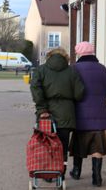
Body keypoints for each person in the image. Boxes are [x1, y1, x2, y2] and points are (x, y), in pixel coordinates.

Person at [30, 47, 85, 181]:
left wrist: (42, 109)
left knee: (46, 143)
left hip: (46, 113)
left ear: (49, 56)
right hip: (66, 112)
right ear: (65, 57)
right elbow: (79, 94)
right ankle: (61, 173)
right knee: (63, 146)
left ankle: (48, 173)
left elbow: (35, 89)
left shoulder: (40, 70)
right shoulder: (72, 71)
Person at [69, 41, 106, 187]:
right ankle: (97, 178)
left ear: (79, 53)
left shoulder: (74, 69)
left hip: (80, 113)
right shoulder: (102, 69)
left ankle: (76, 172)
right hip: (99, 113)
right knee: (97, 146)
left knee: (78, 144)